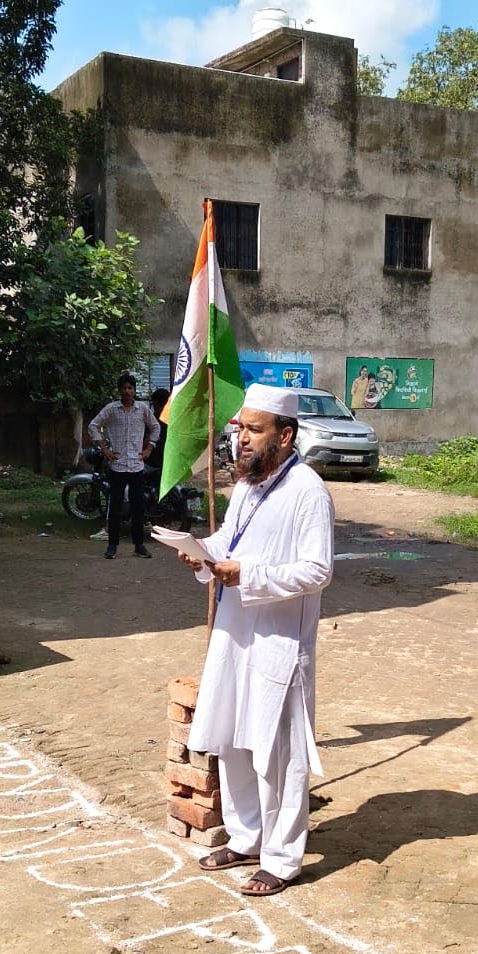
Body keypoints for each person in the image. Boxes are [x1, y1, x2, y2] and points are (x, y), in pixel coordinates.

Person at [177, 383, 334, 896]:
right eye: (239, 427)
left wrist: (249, 574)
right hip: (234, 632)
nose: (240, 438)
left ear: (285, 435)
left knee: (278, 751)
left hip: (279, 641)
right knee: (234, 740)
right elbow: (232, 542)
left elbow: (317, 570)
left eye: (253, 429)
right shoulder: (247, 485)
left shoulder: (307, 490)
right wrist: (201, 550)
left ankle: (283, 858)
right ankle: (246, 838)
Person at [88, 373, 160, 558]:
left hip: (136, 466)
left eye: (130, 388)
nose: (127, 391)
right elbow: (93, 426)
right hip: (118, 466)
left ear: (135, 390)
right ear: (119, 390)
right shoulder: (112, 409)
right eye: (124, 388)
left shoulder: (142, 409)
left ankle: (139, 545)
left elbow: (155, 427)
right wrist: (104, 449)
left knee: (138, 508)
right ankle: (112, 545)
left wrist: (149, 449)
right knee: (115, 508)